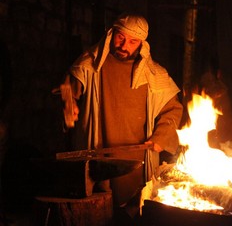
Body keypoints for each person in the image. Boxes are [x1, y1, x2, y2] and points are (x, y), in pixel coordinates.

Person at [60, 13, 183, 223]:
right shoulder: (90, 63)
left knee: (131, 212)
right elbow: (70, 89)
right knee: (96, 210)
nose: (125, 45)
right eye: (120, 37)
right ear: (111, 34)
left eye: (133, 41)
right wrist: (69, 104)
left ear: (142, 44)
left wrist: (161, 138)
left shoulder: (155, 75)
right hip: (97, 151)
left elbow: (173, 110)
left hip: (135, 159)